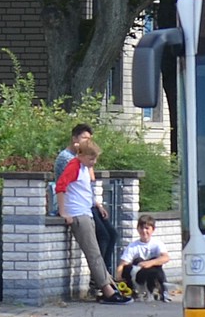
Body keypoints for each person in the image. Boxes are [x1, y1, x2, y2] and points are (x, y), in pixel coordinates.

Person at [56, 138, 131, 304]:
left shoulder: (83, 167)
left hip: (85, 212)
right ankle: (107, 291)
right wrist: (64, 212)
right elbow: (60, 186)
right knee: (94, 254)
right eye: (91, 158)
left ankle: (110, 287)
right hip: (78, 215)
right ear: (80, 155)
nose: (94, 162)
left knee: (96, 251)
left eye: (95, 158)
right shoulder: (74, 166)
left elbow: (85, 191)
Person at [50, 123, 118, 274]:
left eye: (90, 140)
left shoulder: (81, 160)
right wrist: (63, 211)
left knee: (112, 234)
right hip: (77, 206)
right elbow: (64, 186)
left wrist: (97, 203)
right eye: (84, 139)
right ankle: (100, 278)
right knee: (103, 237)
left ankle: (106, 276)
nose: (87, 143)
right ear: (74, 139)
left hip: (87, 203)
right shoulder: (68, 159)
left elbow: (88, 183)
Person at [116, 215, 172, 302]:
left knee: (157, 266)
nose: (144, 231)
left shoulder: (157, 244)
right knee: (131, 265)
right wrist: (119, 277)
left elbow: (166, 258)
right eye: (141, 228)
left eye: (147, 228)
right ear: (137, 229)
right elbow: (123, 264)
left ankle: (163, 291)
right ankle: (131, 291)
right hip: (139, 274)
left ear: (153, 229)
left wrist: (150, 263)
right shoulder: (133, 246)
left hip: (152, 272)